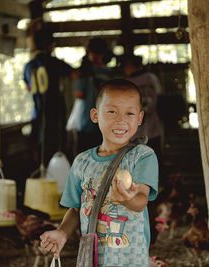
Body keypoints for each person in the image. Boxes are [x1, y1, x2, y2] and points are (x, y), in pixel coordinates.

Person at [40, 79, 159, 266]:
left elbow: (141, 201)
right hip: (92, 259)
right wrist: (62, 232)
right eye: (112, 112)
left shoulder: (142, 156)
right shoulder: (82, 162)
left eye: (129, 113)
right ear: (95, 115)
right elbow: (75, 208)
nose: (121, 119)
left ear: (140, 118)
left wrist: (126, 198)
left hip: (130, 260)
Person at [23, 21, 75, 166]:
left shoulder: (29, 66)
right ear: (50, 45)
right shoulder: (54, 62)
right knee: (56, 151)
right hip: (55, 113)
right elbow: (75, 73)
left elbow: (28, 87)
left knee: (39, 150)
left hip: (37, 112)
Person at [74, 37, 113, 155]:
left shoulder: (85, 71)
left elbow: (79, 94)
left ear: (90, 51)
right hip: (104, 122)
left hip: (86, 121)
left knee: (84, 158)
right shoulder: (109, 72)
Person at [122, 54, 163, 161]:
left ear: (129, 66)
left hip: (135, 134)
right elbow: (159, 95)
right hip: (153, 130)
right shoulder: (152, 78)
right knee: (155, 161)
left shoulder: (128, 83)